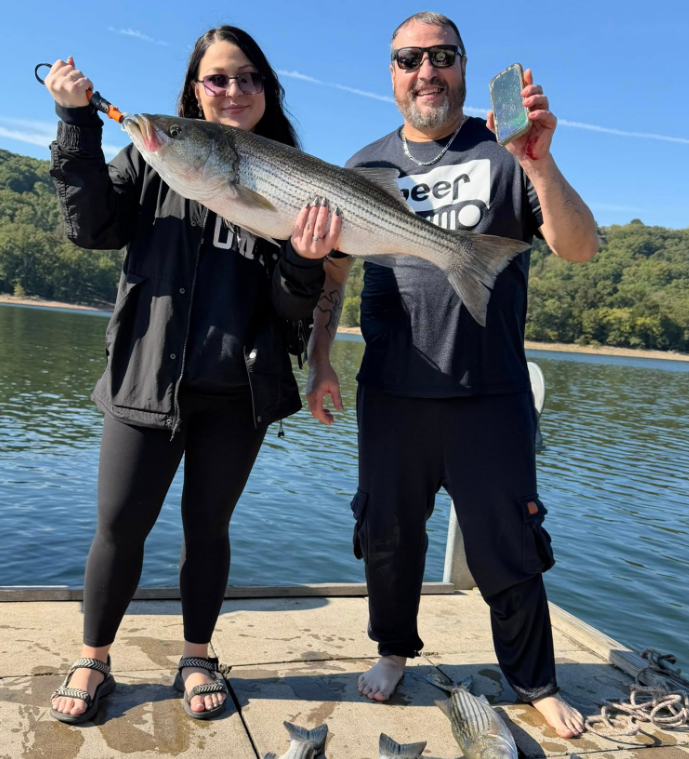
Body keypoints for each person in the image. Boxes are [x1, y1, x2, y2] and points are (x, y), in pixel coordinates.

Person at [306, 12, 598, 739]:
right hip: (391, 390)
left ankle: (534, 679)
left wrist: (537, 161)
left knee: (508, 541)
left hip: (490, 391)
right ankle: (393, 649)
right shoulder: (362, 163)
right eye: (409, 59)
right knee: (387, 533)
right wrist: (317, 358)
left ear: (464, 66)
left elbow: (581, 247)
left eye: (441, 56)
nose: (425, 71)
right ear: (393, 73)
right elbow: (333, 274)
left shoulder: (504, 149)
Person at [45, 25, 341, 723]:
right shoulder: (153, 158)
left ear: (265, 90)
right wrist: (75, 125)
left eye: (247, 77)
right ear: (195, 92)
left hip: (238, 392)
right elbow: (88, 226)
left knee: (209, 528)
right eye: (218, 78)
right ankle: (93, 655)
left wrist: (303, 259)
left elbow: (291, 310)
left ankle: (198, 652)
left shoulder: (295, 173)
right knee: (118, 525)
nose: (233, 89)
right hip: (144, 381)